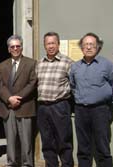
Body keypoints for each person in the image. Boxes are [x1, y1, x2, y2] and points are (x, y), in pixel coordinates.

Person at [69, 32, 113, 167]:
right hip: (81, 110)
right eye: (85, 44)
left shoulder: (107, 65)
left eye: (92, 44)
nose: (88, 47)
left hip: (100, 110)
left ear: (97, 47)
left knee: (102, 147)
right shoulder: (75, 67)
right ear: (81, 47)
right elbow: (73, 86)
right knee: (83, 148)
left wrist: (109, 105)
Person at [0, 35, 37, 167]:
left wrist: (18, 98)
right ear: (8, 49)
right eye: (12, 46)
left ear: (22, 47)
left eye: (17, 46)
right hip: (8, 108)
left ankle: (27, 164)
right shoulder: (2, 66)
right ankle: (11, 163)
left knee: (26, 141)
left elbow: (32, 83)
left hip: (24, 106)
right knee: (11, 141)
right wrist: (9, 98)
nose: (15, 48)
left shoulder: (31, 63)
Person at [36, 32, 74, 167]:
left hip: (60, 106)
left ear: (58, 44)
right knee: (47, 142)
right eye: (48, 43)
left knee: (64, 141)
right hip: (42, 107)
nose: (50, 46)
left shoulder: (68, 62)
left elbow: (75, 85)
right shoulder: (39, 63)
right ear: (44, 45)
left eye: (53, 43)